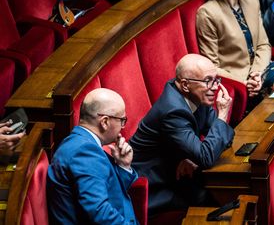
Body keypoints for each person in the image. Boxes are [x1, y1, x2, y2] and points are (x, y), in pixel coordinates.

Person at [129, 54, 235, 215]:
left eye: (216, 80)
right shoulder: (173, 111)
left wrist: (195, 158)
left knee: (225, 193)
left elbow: (224, 140)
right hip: (154, 187)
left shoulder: (198, 95)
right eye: (208, 81)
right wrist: (222, 115)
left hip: (177, 172)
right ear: (185, 85)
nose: (215, 87)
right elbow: (207, 156)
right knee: (214, 199)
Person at [47, 88, 138, 224]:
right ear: (105, 122)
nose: (123, 126)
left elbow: (110, 190)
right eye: (122, 120)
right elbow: (100, 213)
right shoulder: (84, 152)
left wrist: (123, 166)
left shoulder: (80, 142)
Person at [196, 0, 274, 99]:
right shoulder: (207, 13)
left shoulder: (252, 0)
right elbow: (212, 66)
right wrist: (244, 82)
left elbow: (263, 44)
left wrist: (257, 73)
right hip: (235, 77)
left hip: (259, 68)